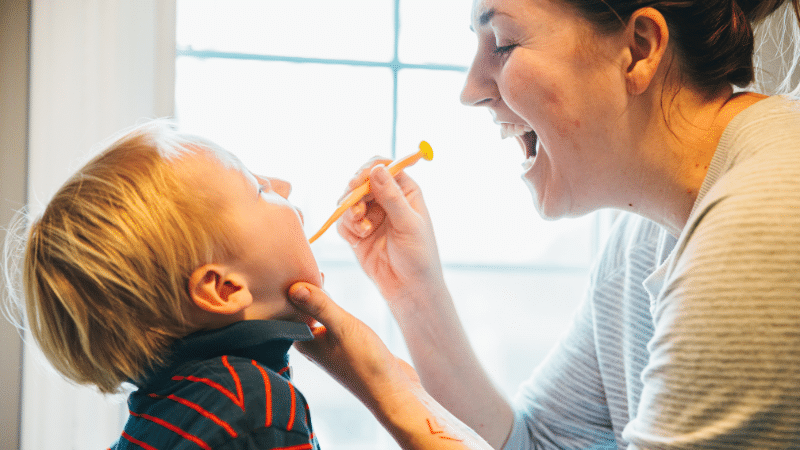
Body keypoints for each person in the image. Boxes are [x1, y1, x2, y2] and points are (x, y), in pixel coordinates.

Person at [284, 0, 800, 449]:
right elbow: (541, 442)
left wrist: (379, 380)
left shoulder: (761, 226)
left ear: (639, 49)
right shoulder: (644, 236)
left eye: (503, 43)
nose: (470, 90)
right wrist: (414, 293)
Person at [3, 122, 322, 449]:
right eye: (259, 190)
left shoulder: (174, 410)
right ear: (223, 289)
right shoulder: (251, 406)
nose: (285, 186)